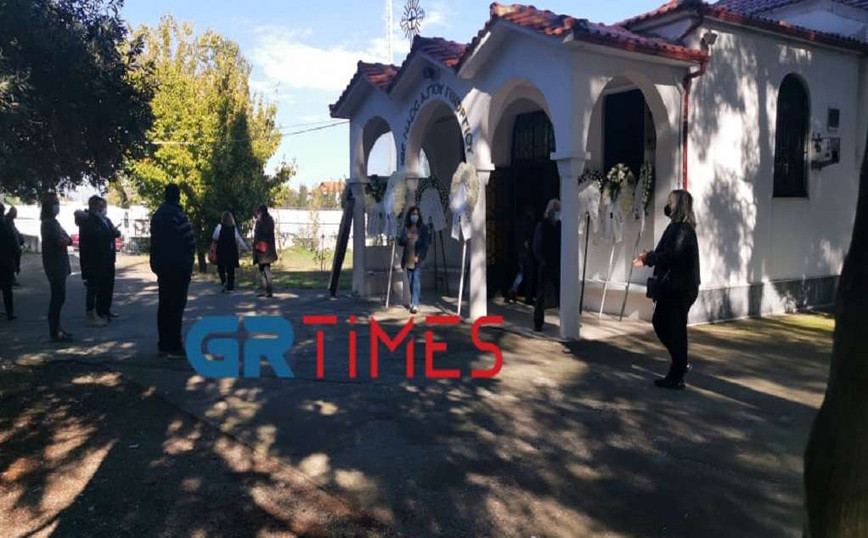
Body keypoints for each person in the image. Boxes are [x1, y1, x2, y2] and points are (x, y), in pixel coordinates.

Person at [633, 189, 701, 390]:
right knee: (663, 323)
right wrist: (648, 258)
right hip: (673, 287)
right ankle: (680, 364)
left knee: (673, 327)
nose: (667, 205)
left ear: (678, 205)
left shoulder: (682, 230)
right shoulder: (675, 227)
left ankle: (677, 372)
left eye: (670, 202)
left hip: (680, 289)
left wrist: (649, 257)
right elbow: (664, 253)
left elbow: (670, 257)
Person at [150, 184, 196, 358]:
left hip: (162, 266)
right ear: (178, 196)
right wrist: (190, 261)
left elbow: (155, 242)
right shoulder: (178, 215)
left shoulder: (157, 215)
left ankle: (163, 344)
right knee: (177, 306)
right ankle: (175, 345)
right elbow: (189, 241)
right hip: (179, 266)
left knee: (164, 305)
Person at [76, 196, 120, 326]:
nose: (102, 209)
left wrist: (113, 232)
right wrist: (111, 233)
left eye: (103, 206)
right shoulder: (89, 221)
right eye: (100, 206)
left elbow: (112, 233)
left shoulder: (104, 220)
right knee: (94, 288)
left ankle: (104, 310)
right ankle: (93, 314)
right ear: (93, 206)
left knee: (107, 286)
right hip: (94, 260)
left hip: (107, 258)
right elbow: (97, 237)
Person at [41, 194, 74, 341]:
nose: (57, 206)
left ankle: (58, 328)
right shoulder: (48, 223)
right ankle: (54, 331)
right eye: (54, 203)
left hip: (60, 265)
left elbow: (68, 239)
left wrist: (66, 240)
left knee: (60, 298)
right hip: (54, 265)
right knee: (57, 299)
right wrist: (65, 240)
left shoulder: (55, 222)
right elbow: (60, 241)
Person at [532, 199, 561, 332]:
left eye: (559, 210)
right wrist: (542, 260)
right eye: (556, 211)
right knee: (541, 294)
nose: (557, 213)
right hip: (545, 263)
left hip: (557, 264)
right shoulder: (542, 225)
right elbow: (537, 245)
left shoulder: (560, 226)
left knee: (561, 292)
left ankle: (566, 320)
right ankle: (538, 322)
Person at [397, 206, 429, 315]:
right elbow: (400, 242)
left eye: (416, 214)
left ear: (419, 216)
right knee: (411, 281)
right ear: (409, 216)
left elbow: (425, 244)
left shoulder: (423, 228)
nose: (414, 216)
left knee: (416, 280)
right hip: (408, 258)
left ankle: (415, 304)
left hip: (418, 259)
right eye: (412, 214)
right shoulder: (406, 228)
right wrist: (407, 237)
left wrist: (419, 257)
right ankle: (412, 301)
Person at [506, 206, 536, 305]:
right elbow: (528, 240)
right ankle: (526, 296)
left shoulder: (519, 223)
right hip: (526, 253)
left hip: (520, 252)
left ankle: (513, 291)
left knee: (521, 273)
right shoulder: (528, 224)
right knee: (527, 275)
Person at [212, 211, 249, 293]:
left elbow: (215, 237)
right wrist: (245, 247)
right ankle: (230, 287)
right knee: (231, 269)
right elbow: (238, 239)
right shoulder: (233, 228)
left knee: (221, 267)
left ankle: (223, 281)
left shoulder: (219, 227)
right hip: (232, 250)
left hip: (221, 250)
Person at [253, 205, 277, 298]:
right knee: (262, 270)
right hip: (262, 249)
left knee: (266, 270)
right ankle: (265, 289)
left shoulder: (266, 221)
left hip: (265, 249)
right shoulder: (266, 220)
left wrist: (259, 222)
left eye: (258, 212)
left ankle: (269, 290)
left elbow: (264, 232)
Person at [0, 203, 17, 320]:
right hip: (5, 261)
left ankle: (9, 312)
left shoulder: (6, 224)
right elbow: (13, 243)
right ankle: (9, 313)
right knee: (7, 289)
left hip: (5, 260)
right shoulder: (6, 225)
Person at [5, 206, 24, 287]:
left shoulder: (9, 220)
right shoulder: (7, 220)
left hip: (12, 246)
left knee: (12, 262)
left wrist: (20, 236)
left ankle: (11, 278)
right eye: (15, 213)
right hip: (9, 247)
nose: (16, 215)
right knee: (12, 262)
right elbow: (12, 233)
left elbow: (14, 231)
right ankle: (11, 279)